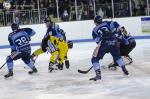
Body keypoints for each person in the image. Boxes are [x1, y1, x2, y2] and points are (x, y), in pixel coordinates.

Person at [90, 15, 129, 81]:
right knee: (117, 57)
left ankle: (98, 75)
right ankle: (124, 69)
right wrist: (120, 28)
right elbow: (114, 23)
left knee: (94, 59)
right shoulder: (106, 23)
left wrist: (103, 45)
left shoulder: (94, 30)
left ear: (95, 22)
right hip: (114, 41)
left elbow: (97, 41)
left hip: (104, 43)